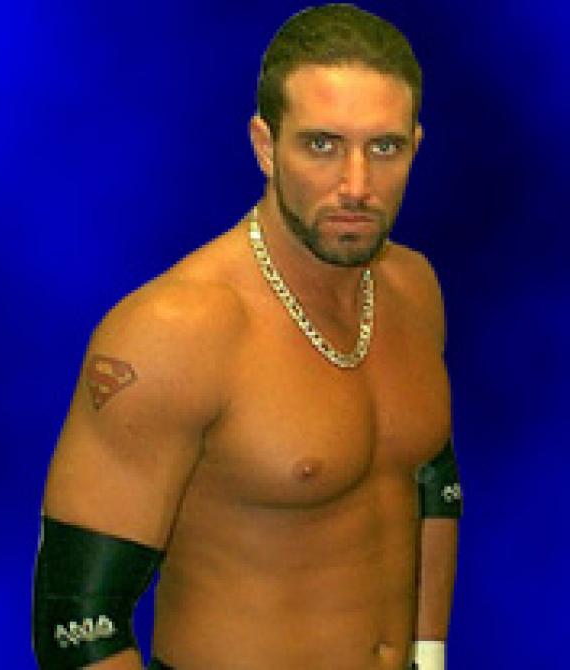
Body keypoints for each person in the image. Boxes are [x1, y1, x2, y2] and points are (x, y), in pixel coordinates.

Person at [32, 4, 463, 669]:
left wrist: (429, 656)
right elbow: (78, 623)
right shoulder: (175, 332)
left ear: (415, 146)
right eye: (322, 145)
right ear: (266, 146)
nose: (356, 186)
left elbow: (431, 473)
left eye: (384, 148)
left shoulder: (414, 289)